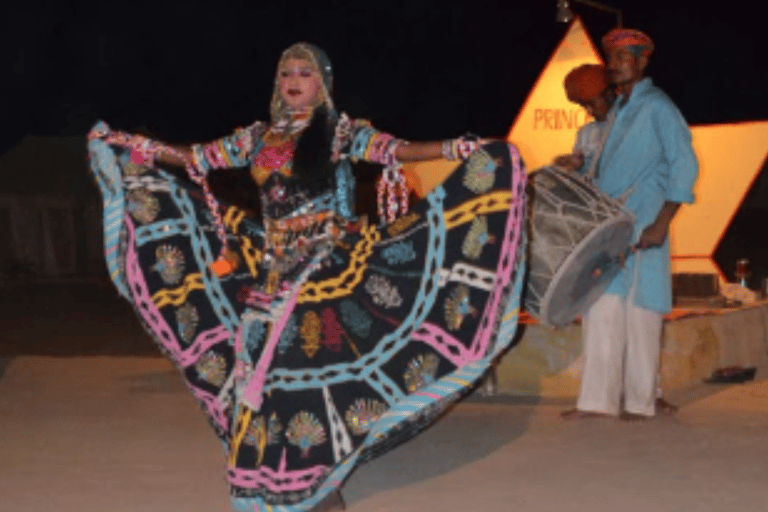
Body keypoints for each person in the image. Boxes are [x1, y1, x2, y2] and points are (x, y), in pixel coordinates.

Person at [87, 42, 527, 512]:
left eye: (305, 73)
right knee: (267, 381)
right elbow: (198, 158)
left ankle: (321, 487)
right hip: (272, 271)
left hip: (328, 268)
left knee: (318, 380)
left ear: (324, 84)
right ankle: (277, 478)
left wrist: (456, 147)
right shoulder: (258, 137)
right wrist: (139, 147)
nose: (293, 81)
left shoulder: (338, 131)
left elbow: (394, 150)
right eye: (285, 74)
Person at [558, 30, 698, 420]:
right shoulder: (619, 111)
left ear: (642, 61)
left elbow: (684, 165)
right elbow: (607, 166)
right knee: (602, 308)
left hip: (645, 224)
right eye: (613, 57)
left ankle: (641, 401)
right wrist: (578, 166)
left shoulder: (658, 107)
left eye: (625, 57)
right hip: (611, 226)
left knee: (641, 313)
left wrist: (663, 221)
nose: (617, 63)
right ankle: (597, 402)